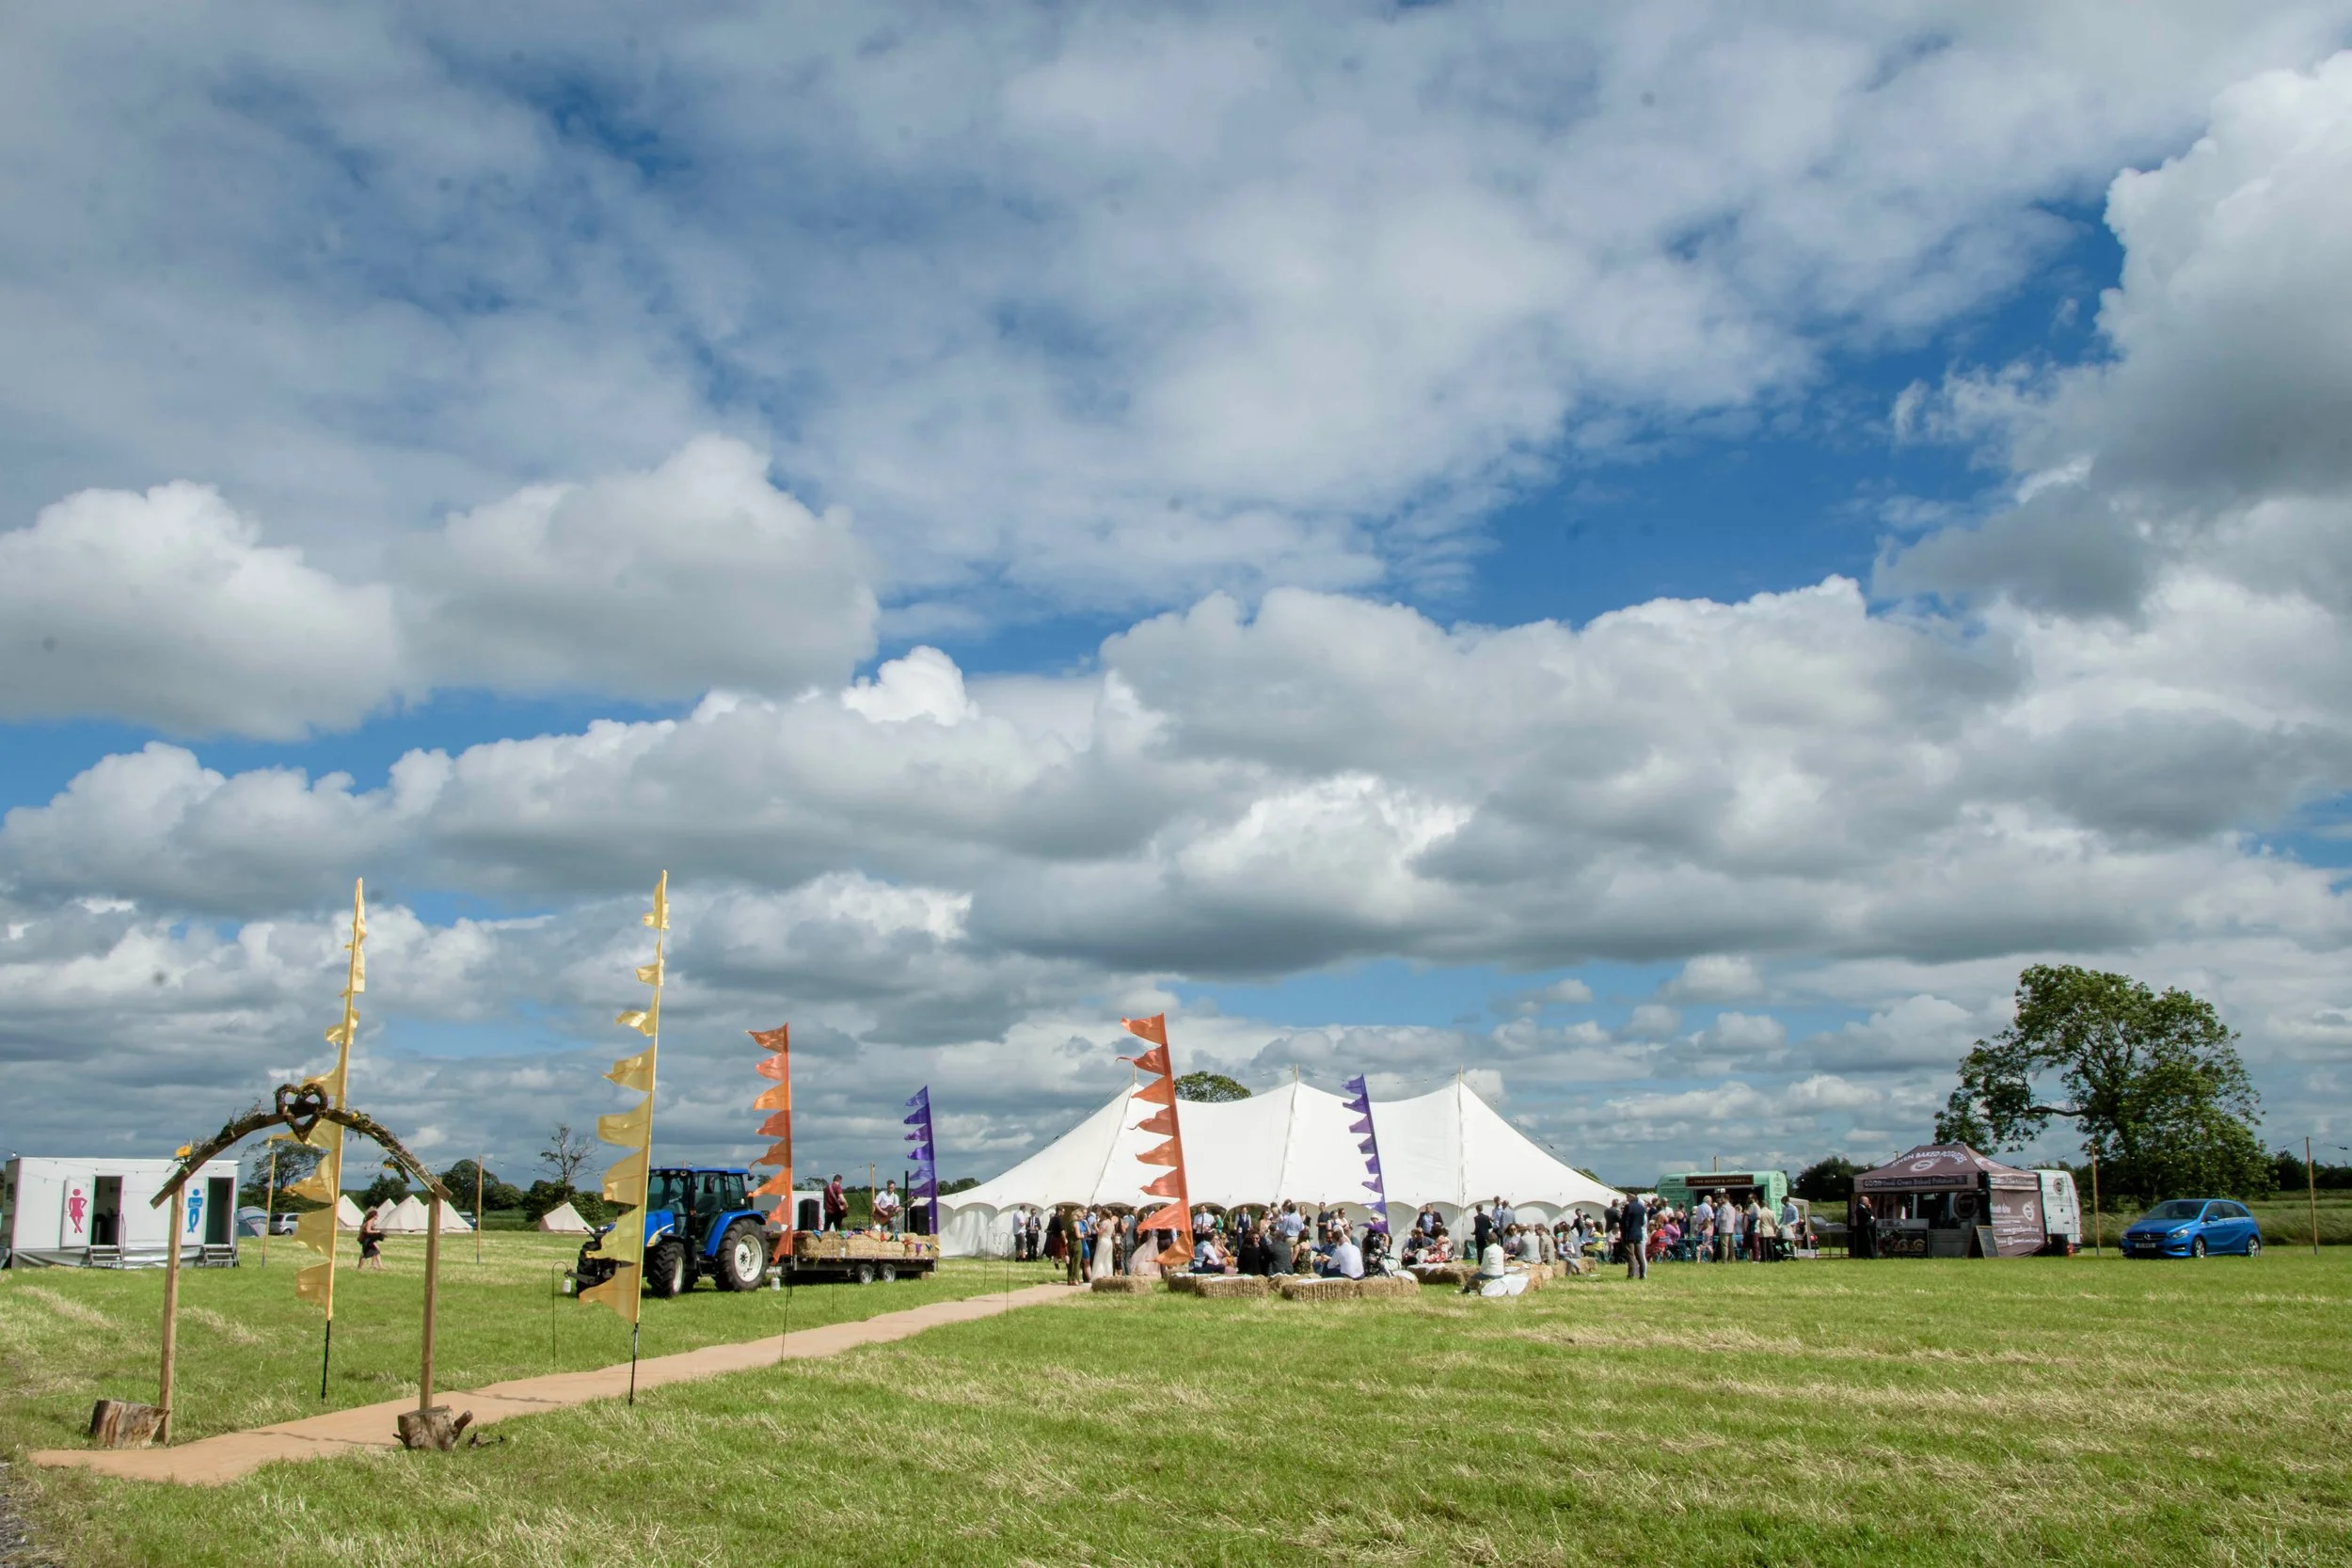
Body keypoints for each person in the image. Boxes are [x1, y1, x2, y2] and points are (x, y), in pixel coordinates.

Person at [1621, 1192, 1649, 1280]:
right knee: (1640, 1255)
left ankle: (1631, 1275)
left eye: (1627, 1196)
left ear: (1631, 1196)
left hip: (1629, 1234)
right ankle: (1642, 1274)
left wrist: (1624, 1231)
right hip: (1638, 1233)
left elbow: (1625, 1221)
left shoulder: (1628, 1206)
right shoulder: (1642, 1208)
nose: (1626, 1198)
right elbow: (1642, 1222)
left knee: (1631, 1255)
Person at [357, 1204, 386, 1272]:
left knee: (376, 1251)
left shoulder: (371, 1221)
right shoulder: (369, 1222)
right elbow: (368, 1231)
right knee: (365, 1254)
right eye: (377, 1215)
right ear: (374, 1216)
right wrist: (376, 1231)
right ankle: (359, 1268)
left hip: (369, 1239)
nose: (378, 1216)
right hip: (367, 1240)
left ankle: (378, 1266)